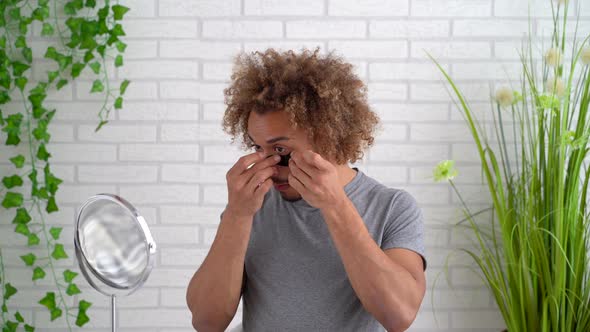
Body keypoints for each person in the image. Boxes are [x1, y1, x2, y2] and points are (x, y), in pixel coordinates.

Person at [186, 48, 427, 332]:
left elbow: (399, 314)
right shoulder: (250, 206)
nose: (269, 168)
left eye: (280, 150)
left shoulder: (391, 207)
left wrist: (335, 205)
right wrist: (237, 216)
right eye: (257, 149)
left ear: (326, 137)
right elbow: (206, 321)